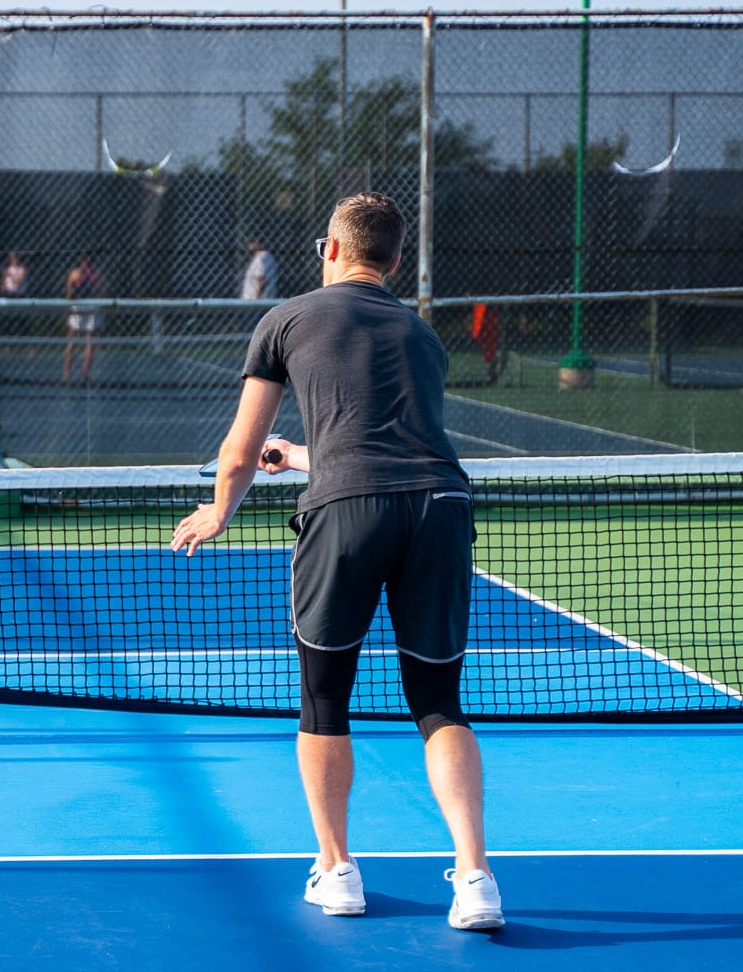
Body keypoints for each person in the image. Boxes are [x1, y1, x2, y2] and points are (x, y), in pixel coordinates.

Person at [170, 193, 501, 932]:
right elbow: (393, 450)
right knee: (440, 702)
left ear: (329, 250)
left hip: (346, 512)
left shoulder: (285, 319)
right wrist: (304, 456)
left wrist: (219, 509)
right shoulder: (421, 333)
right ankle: (477, 878)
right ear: (395, 260)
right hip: (441, 507)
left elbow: (237, 447)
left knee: (324, 698)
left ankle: (337, 868)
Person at [62, 253, 104, 383]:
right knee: (81, 341)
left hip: (85, 306)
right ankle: (75, 374)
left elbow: (69, 292)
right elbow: (102, 292)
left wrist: (68, 308)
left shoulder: (76, 274)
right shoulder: (96, 274)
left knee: (82, 341)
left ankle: (70, 374)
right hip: (86, 306)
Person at [240, 236, 276, 300]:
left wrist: (258, 298)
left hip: (256, 300)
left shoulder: (261, 257)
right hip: (256, 300)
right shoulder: (265, 256)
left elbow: (261, 278)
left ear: (257, 243)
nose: (248, 245)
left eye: (251, 243)